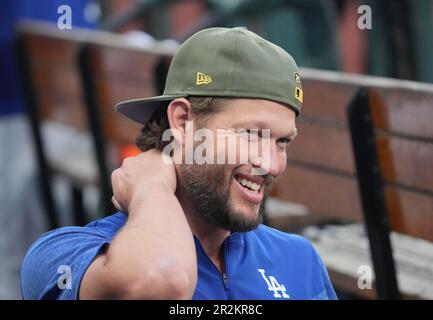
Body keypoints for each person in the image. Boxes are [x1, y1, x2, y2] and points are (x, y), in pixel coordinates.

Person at [21, 27, 337, 300]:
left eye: (282, 141)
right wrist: (152, 187)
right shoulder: (62, 256)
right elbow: (159, 282)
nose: (270, 164)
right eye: (252, 134)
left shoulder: (299, 259)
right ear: (183, 122)